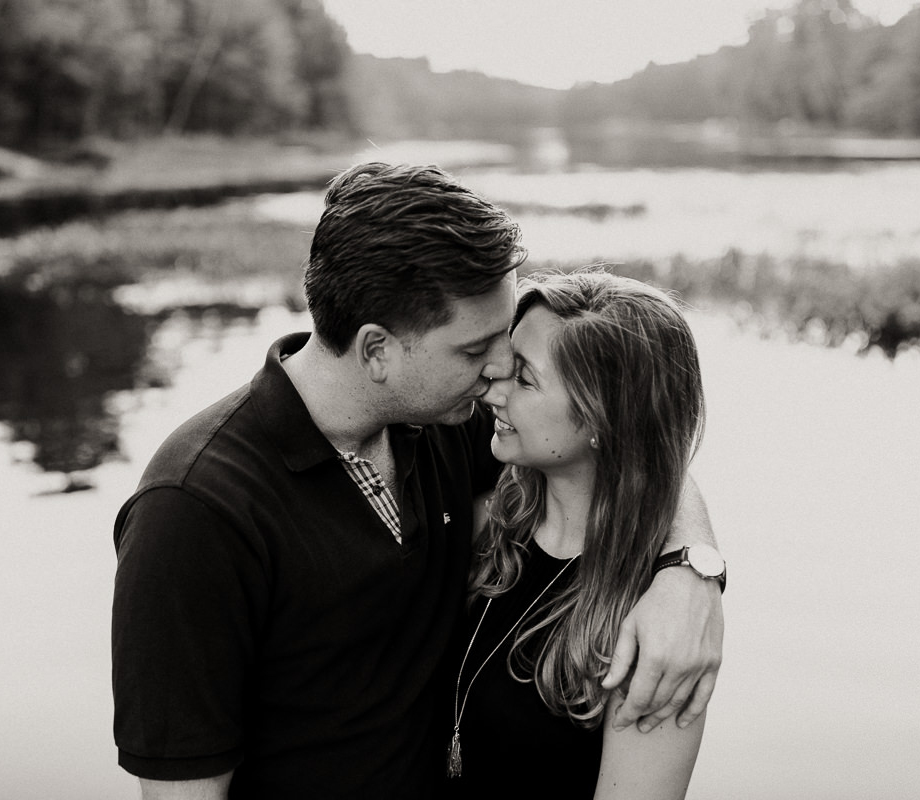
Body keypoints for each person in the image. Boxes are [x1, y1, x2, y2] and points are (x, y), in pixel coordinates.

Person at [111, 162, 724, 799]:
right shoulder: (194, 512)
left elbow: (633, 450)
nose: (497, 373)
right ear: (377, 350)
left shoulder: (448, 420)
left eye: (507, 343)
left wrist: (691, 569)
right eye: (474, 349)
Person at [441, 270, 715, 800]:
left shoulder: (656, 635)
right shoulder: (490, 522)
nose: (492, 387)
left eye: (524, 378)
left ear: (601, 417)